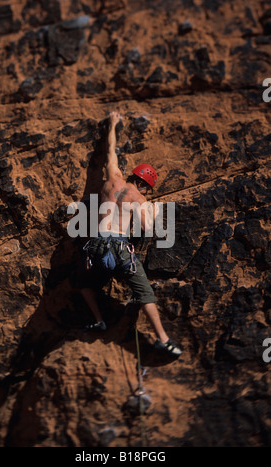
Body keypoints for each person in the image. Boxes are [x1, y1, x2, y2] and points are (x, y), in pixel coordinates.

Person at [77, 111, 182, 357]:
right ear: (146, 185)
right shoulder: (141, 198)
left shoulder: (113, 179)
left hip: (96, 248)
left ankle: (99, 320)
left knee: (82, 284)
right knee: (145, 293)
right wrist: (153, 210)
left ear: (132, 175)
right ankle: (163, 340)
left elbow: (110, 151)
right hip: (120, 251)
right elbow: (147, 229)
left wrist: (113, 123)